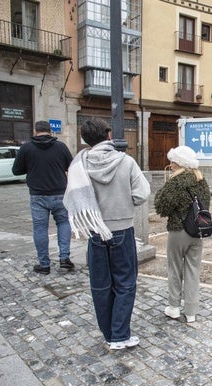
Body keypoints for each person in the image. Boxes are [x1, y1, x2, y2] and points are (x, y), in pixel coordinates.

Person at [63, 118, 150, 350]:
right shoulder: (126, 161)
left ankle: (110, 335)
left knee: (100, 285)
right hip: (121, 228)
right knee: (125, 283)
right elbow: (142, 194)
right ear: (109, 135)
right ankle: (120, 335)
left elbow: (71, 198)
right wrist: (124, 203)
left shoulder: (78, 165)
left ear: (86, 140)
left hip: (94, 230)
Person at [154, 145, 210, 324]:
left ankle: (174, 307)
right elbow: (206, 204)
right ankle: (191, 312)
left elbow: (160, 206)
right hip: (197, 231)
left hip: (179, 231)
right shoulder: (201, 180)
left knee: (175, 269)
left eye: (173, 162)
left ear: (180, 164)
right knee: (193, 270)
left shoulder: (176, 182)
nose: (170, 165)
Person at [12, 120, 73, 275]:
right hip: (60, 193)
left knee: (40, 228)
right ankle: (64, 259)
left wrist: (31, 166)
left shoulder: (26, 148)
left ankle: (44, 265)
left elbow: (16, 171)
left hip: (38, 195)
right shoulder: (61, 147)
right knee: (64, 223)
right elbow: (70, 166)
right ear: (50, 132)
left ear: (35, 131)